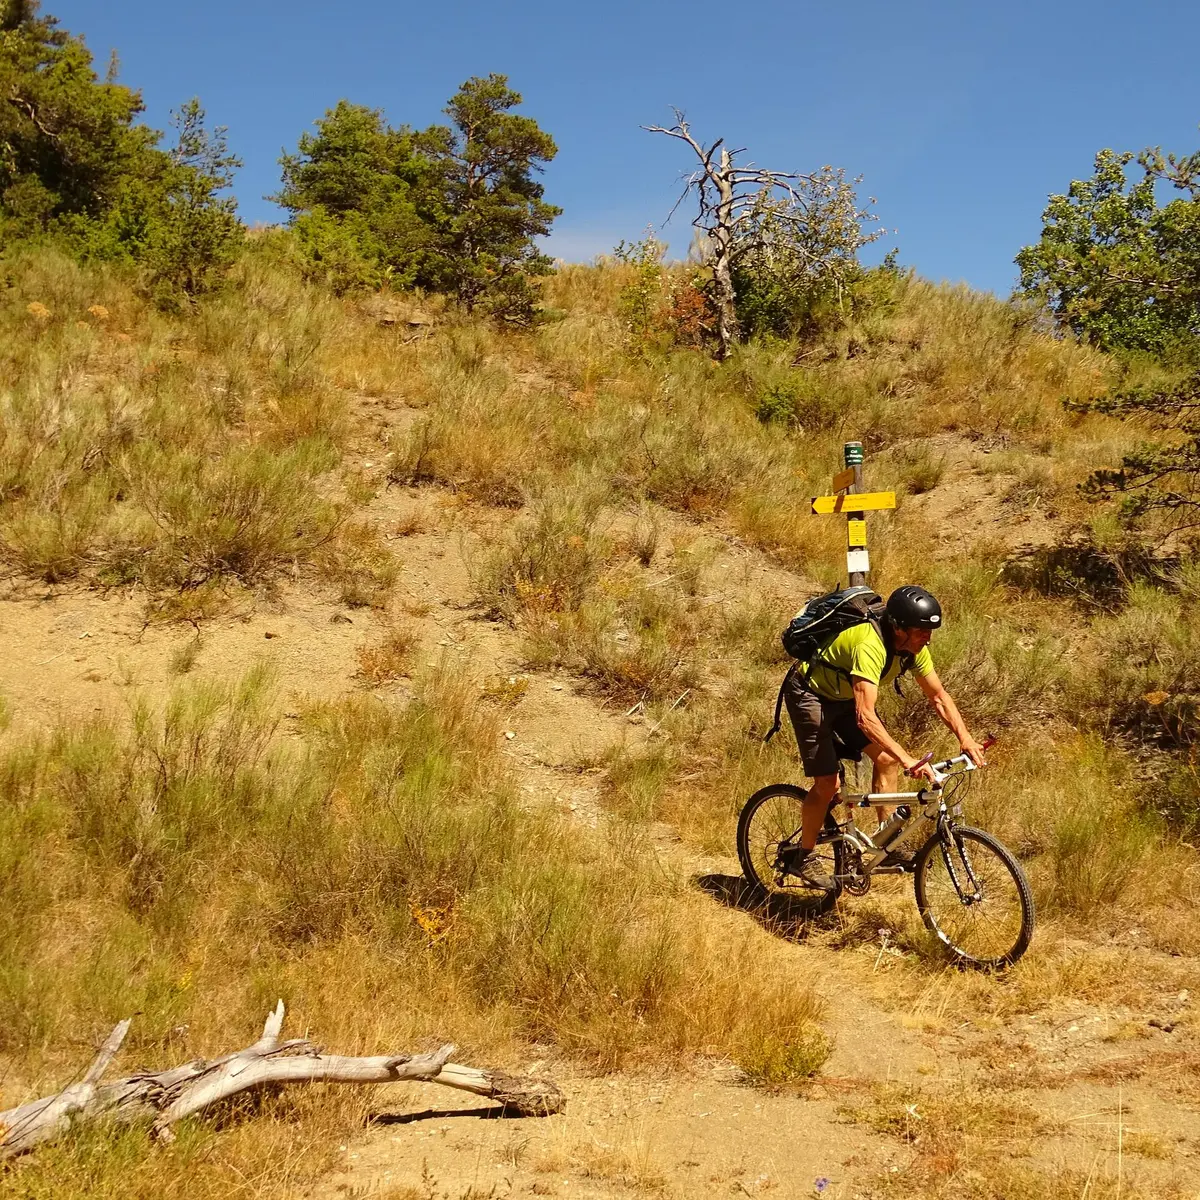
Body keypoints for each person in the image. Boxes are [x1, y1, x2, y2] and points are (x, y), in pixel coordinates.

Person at [781, 585, 987, 890]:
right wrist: (908, 759)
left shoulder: (914, 649)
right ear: (898, 627)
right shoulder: (870, 645)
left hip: (843, 697)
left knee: (886, 760)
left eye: (930, 632)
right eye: (920, 631)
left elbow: (939, 696)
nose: (927, 638)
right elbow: (865, 716)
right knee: (828, 784)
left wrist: (966, 738)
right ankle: (803, 856)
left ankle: (885, 842)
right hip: (810, 694)